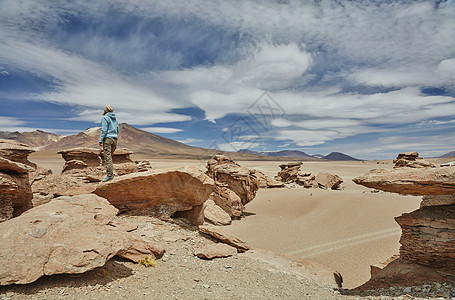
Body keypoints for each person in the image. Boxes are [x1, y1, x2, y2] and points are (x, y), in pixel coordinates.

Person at [99, 105, 119, 182]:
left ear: (105, 110)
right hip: (115, 139)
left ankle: (110, 176)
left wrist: (101, 140)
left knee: (108, 158)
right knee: (110, 157)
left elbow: (104, 129)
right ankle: (110, 174)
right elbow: (117, 129)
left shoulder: (105, 118)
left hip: (107, 139)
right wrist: (115, 136)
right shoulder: (115, 119)